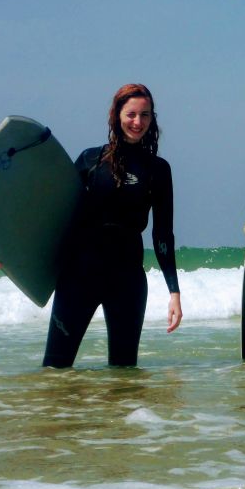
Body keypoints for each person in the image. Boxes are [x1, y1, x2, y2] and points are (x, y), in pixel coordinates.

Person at [15, 83, 182, 367]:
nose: (138, 122)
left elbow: (163, 234)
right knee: (55, 368)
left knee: (124, 373)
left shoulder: (158, 170)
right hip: (79, 277)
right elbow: (53, 213)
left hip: (127, 281)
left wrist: (174, 292)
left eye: (145, 115)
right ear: (117, 114)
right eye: (131, 114)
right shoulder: (90, 160)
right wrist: (8, 249)